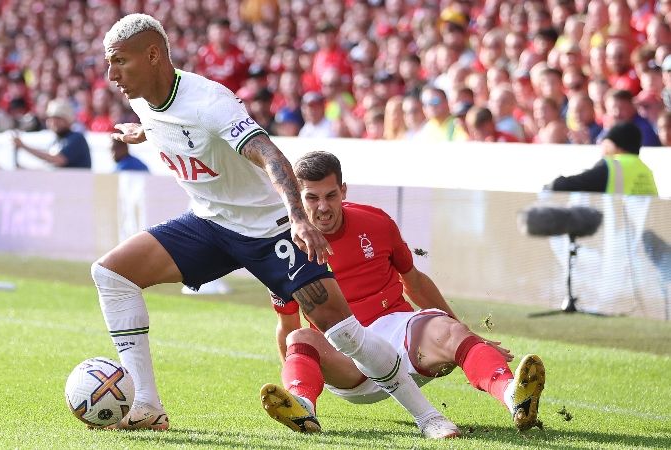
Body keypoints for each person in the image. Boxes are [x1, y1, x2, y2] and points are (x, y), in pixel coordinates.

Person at [97, 13, 459, 438]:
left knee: (343, 332)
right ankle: (147, 404)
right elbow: (173, 126)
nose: (111, 74)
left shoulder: (210, 102)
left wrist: (298, 217)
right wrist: (145, 133)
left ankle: (430, 417)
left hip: (269, 231)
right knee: (110, 272)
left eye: (119, 61)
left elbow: (270, 155)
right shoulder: (143, 99)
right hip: (211, 224)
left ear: (153, 55)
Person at [260, 151, 546, 435]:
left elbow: (415, 283)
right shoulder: (285, 249)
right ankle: (302, 407)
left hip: (400, 339)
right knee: (299, 337)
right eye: (312, 197)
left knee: (449, 329)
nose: (323, 207)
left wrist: (469, 334)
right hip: (345, 361)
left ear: (343, 190)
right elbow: (287, 326)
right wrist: (298, 373)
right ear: (297, 196)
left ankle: (514, 397)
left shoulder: (376, 222)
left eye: (331, 195)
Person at [549, 121, 658, 195]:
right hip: (646, 229)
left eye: (605, 143)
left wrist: (552, 185)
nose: (602, 149)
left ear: (616, 145)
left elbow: (566, 185)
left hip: (620, 228)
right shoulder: (645, 170)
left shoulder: (612, 166)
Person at [13, 99, 92, 169]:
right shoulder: (57, 141)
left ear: (68, 120)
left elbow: (57, 159)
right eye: (50, 119)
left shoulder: (76, 138)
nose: (53, 123)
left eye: (57, 119)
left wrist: (23, 146)